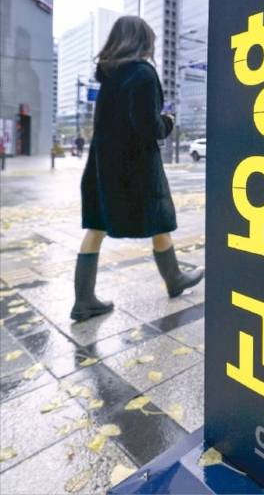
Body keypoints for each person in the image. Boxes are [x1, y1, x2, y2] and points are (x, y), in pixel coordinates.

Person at [70, 16, 203, 321]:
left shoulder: (109, 76)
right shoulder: (142, 73)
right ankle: (174, 278)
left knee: (96, 226)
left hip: (103, 165)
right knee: (159, 218)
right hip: (137, 166)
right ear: (142, 42)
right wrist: (167, 121)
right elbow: (148, 126)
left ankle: (84, 300)